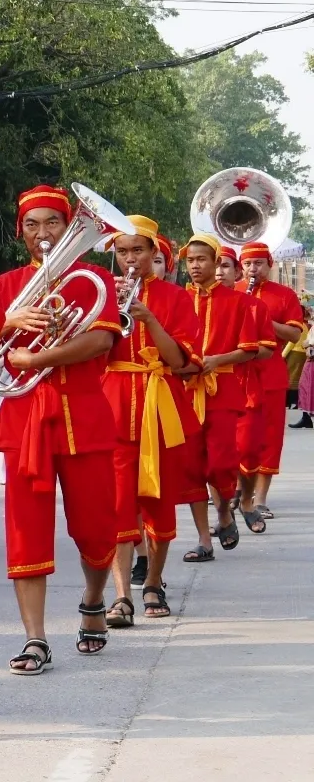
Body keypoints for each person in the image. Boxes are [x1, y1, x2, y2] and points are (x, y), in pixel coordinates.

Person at [0, 185, 118, 673]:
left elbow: (100, 342)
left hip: (84, 416)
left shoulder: (91, 279)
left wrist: (38, 356)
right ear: (20, 233)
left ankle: (92, 599)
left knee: (97, 526)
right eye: (31, 225)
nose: (42, 234)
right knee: (26, 532)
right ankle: (35, 638)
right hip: (24, 420)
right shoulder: (5, 287)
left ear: (69, 227)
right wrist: (5, 323)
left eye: (53, 223)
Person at [100, 215, 198, 630]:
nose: (130, 259)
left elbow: (181, 362)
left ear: (154, 253)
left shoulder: (175, 298)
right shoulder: (103, 293)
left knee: (158, 501)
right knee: (118, 503)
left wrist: (150, 320)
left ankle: (154, 580)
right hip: (114, 406)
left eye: (138, 250)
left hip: (160, 406)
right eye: (122, 252)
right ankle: (122, 595)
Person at [174, 235, 263, 561]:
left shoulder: (239, 302)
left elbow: (249, 350)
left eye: (201, 259)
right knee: (193, 467)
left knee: (222, 463)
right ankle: (203, 540)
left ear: (215, 263)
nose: (195, 266)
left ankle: (225, 510)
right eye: (190, 260)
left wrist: (216, 360)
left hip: (222, 389)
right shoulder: (179, 298)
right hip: (184, 390)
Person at [236, 241, 304, 526]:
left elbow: (293, 334)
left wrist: (264, 319)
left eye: (259, 263)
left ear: (269, 264)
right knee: (237, 436)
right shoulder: (233, 291)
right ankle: (236, 491)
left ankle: (260, 499)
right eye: (248, 264)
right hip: (237, 372)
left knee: (270, 436)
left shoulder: (284, 294)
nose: (253, 269)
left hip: (271, 374)